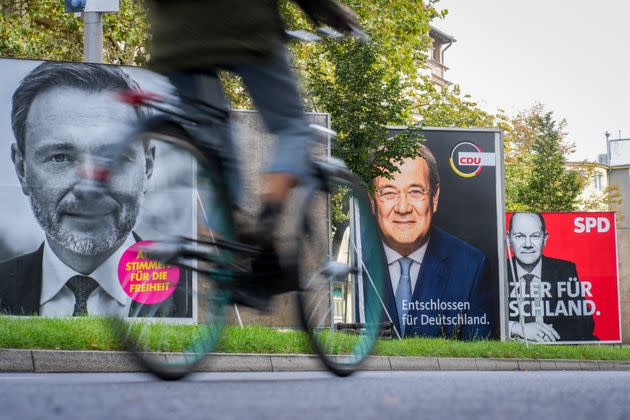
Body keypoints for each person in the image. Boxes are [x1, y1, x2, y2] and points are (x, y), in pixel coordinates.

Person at [0, 61, 189, 317]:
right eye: (60, 157)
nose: (90, 186)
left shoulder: (187, 294)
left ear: (148, 168)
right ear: (22, 169)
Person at [371, 145, 492, 339]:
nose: (403, 208)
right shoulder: (349, 261)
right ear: (372, 201)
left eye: (415, 192)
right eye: (389, 193)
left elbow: (477, 358)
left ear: (434, 198)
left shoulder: (471, 266)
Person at [507, 212, 597, 342]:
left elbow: (585, 323)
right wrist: (517, 328)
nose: (528, 244)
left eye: (535, 236)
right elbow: (485, 319)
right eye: (519, 236)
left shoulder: (564, 270)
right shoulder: (498, 271)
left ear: (545, 238)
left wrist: (545, 337)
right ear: (509, 238)